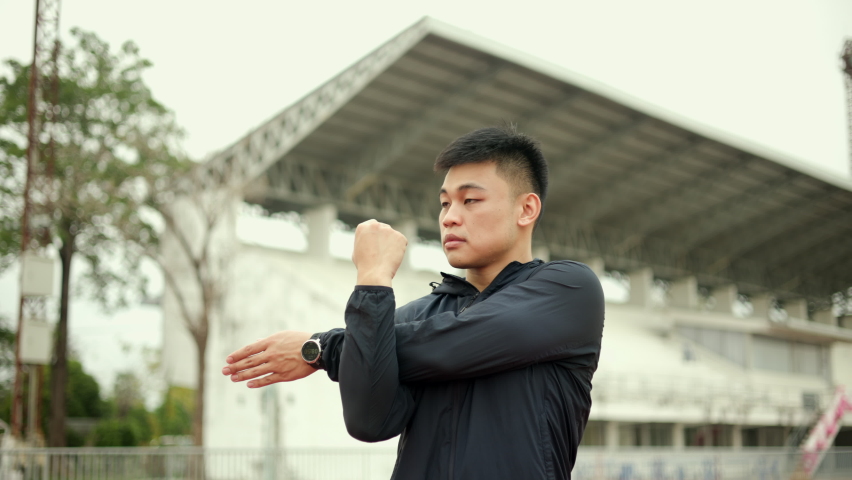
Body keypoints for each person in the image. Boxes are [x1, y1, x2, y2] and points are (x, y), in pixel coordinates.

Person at [222, 125, 605, 480]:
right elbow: (369, 423)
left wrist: (325, 348)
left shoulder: (569, 290)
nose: (450, 218)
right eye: (444, 204)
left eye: (470, 200)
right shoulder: (418, 316)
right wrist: (372, 278)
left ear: (527, 209)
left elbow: (456, 342)